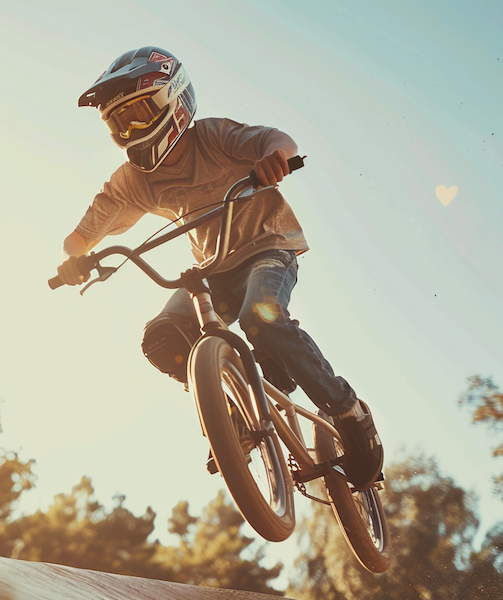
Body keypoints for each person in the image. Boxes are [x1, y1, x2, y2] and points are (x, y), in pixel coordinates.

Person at [54, 46, 384, 491]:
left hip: (268, 248)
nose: (131, 129)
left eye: (139, 113)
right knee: (163, 337)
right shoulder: (134, 181)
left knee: (259, 317)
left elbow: (279, 140)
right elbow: (84, 233)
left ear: (174, 100)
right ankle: (233, 409)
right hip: (213, 268)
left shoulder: (212, 137)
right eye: (120, 122)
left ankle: (349, 412)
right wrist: (75, 258)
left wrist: (272, 159)